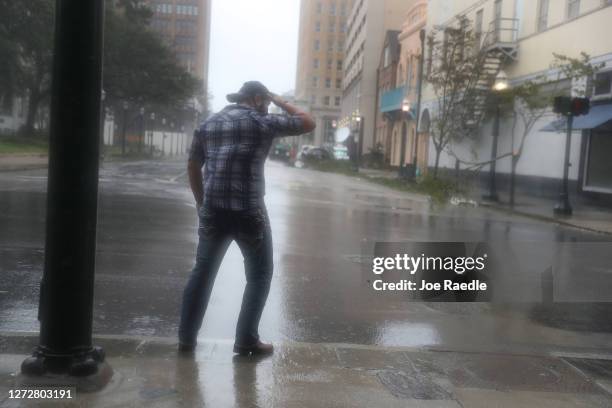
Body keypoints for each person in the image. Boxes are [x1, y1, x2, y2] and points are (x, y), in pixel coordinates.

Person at [178, 81, 316, 355]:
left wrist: (201, 203)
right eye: (264, 101)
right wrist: (278, 99)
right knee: (259, 275)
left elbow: (193, 164)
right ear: (256, 99)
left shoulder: (209, 124)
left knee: (202, 272)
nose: (267, 107)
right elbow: (307, 122)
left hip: (213, 211)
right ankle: (246, 340)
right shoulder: (261, 122)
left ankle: (186, 339)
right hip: (248, 211)